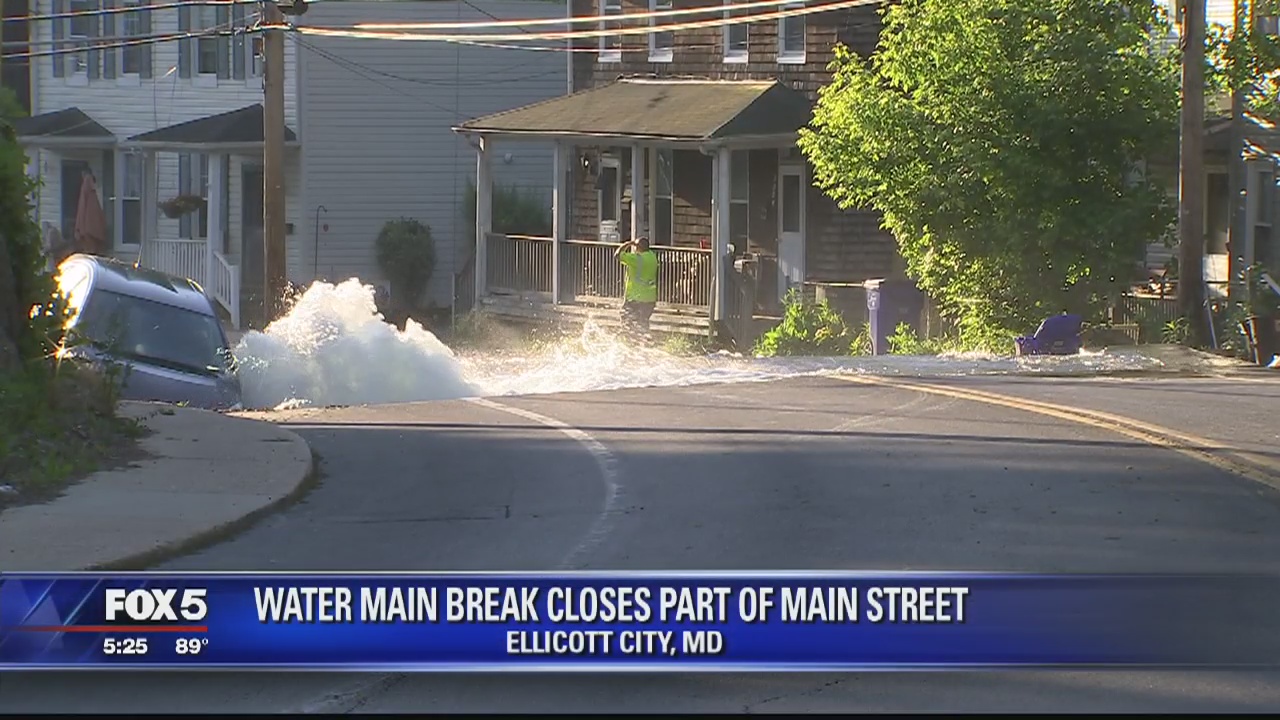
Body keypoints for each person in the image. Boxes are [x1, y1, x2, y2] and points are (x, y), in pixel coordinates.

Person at [615, 235, 658, 340]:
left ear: (638, 248)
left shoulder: (637, 259)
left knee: (626, 320)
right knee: (643, 323)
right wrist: (638, 244)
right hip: (650, 299)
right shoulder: (653, 257)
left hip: (635, 298)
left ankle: (630, 343)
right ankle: (645, 343)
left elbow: (617, 255)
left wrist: (627, 244)